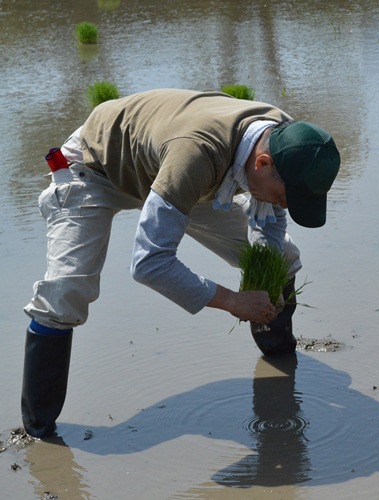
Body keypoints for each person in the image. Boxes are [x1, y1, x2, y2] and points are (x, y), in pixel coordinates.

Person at [21, 89, 341, 438]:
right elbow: (149, 263)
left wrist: (263, 282)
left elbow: (270, 218)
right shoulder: (197, 155)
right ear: (262, 164)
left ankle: (279, 360)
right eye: (284, 196)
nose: (284, 205)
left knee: (284, 259)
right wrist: (232, 301)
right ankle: (39, 431)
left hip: (190, 176)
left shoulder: (285, 139)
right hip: (96, 166)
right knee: (67, 293)